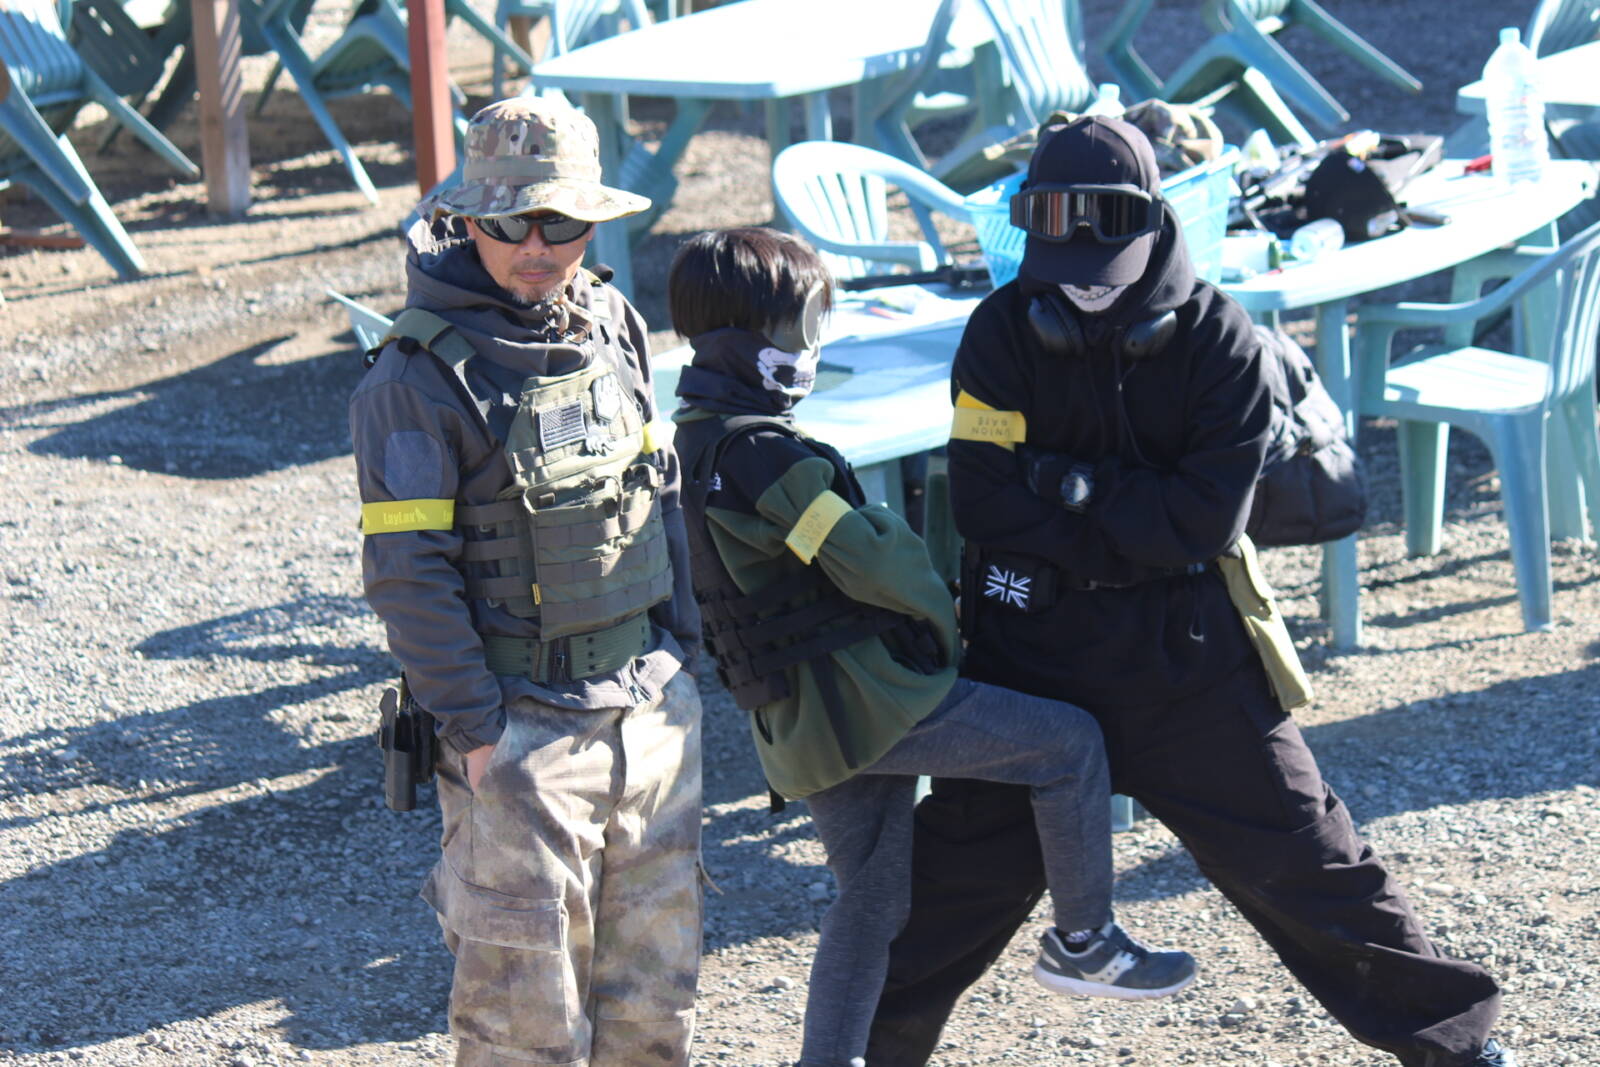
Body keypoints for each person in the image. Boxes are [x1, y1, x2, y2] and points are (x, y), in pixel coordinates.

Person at [864, 115, 1517, 1067]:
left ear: (1154, 228)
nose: (1085, 284)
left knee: (1311, 862)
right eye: (1065, 266)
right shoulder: (1002, 330)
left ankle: (1457, 1046)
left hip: (1186, 663)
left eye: (1104, 264)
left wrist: (1062, 488)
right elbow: (981, 502)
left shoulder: (1223, 342)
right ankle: (854, 1054)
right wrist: (1125, 516)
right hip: (1032, 663)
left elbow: (1202, 524)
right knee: (945, 892)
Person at [665, 226, 1196, 1067]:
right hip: (869, 703)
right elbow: (873, 562)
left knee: (870, 902)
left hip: (803, 721)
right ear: (751, 338)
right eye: (801, 327)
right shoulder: (764, 454)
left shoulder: (698, 438)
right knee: (1068, 745)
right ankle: (1084, 938)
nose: (809, 347)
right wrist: (947, 621)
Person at [349, 97, 704, 1067]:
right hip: (521, 732)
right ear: (469, 220)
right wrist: (479, 736)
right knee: (523, 1031)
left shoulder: (613, 321)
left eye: (561, 221)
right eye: (510, 223)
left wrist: (680, 655)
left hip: (647, 712)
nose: (537, 247)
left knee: (655, 1012)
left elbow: (658, 490)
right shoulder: (412, 379)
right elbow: (407, 575)